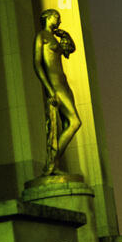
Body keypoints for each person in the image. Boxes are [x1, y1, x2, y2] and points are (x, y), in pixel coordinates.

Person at [33, 9, 81, 175]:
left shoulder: (54, 37)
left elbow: (70, 49)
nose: (59, 20)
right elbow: (37, 65)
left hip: (64, 84)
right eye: (57, 17)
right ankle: (52, 163)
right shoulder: (42, 37)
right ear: (47, 17)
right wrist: (49, 89)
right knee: (75, 122)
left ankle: (53, 164)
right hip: (55, 86)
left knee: (69, 124)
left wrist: (64, 33)